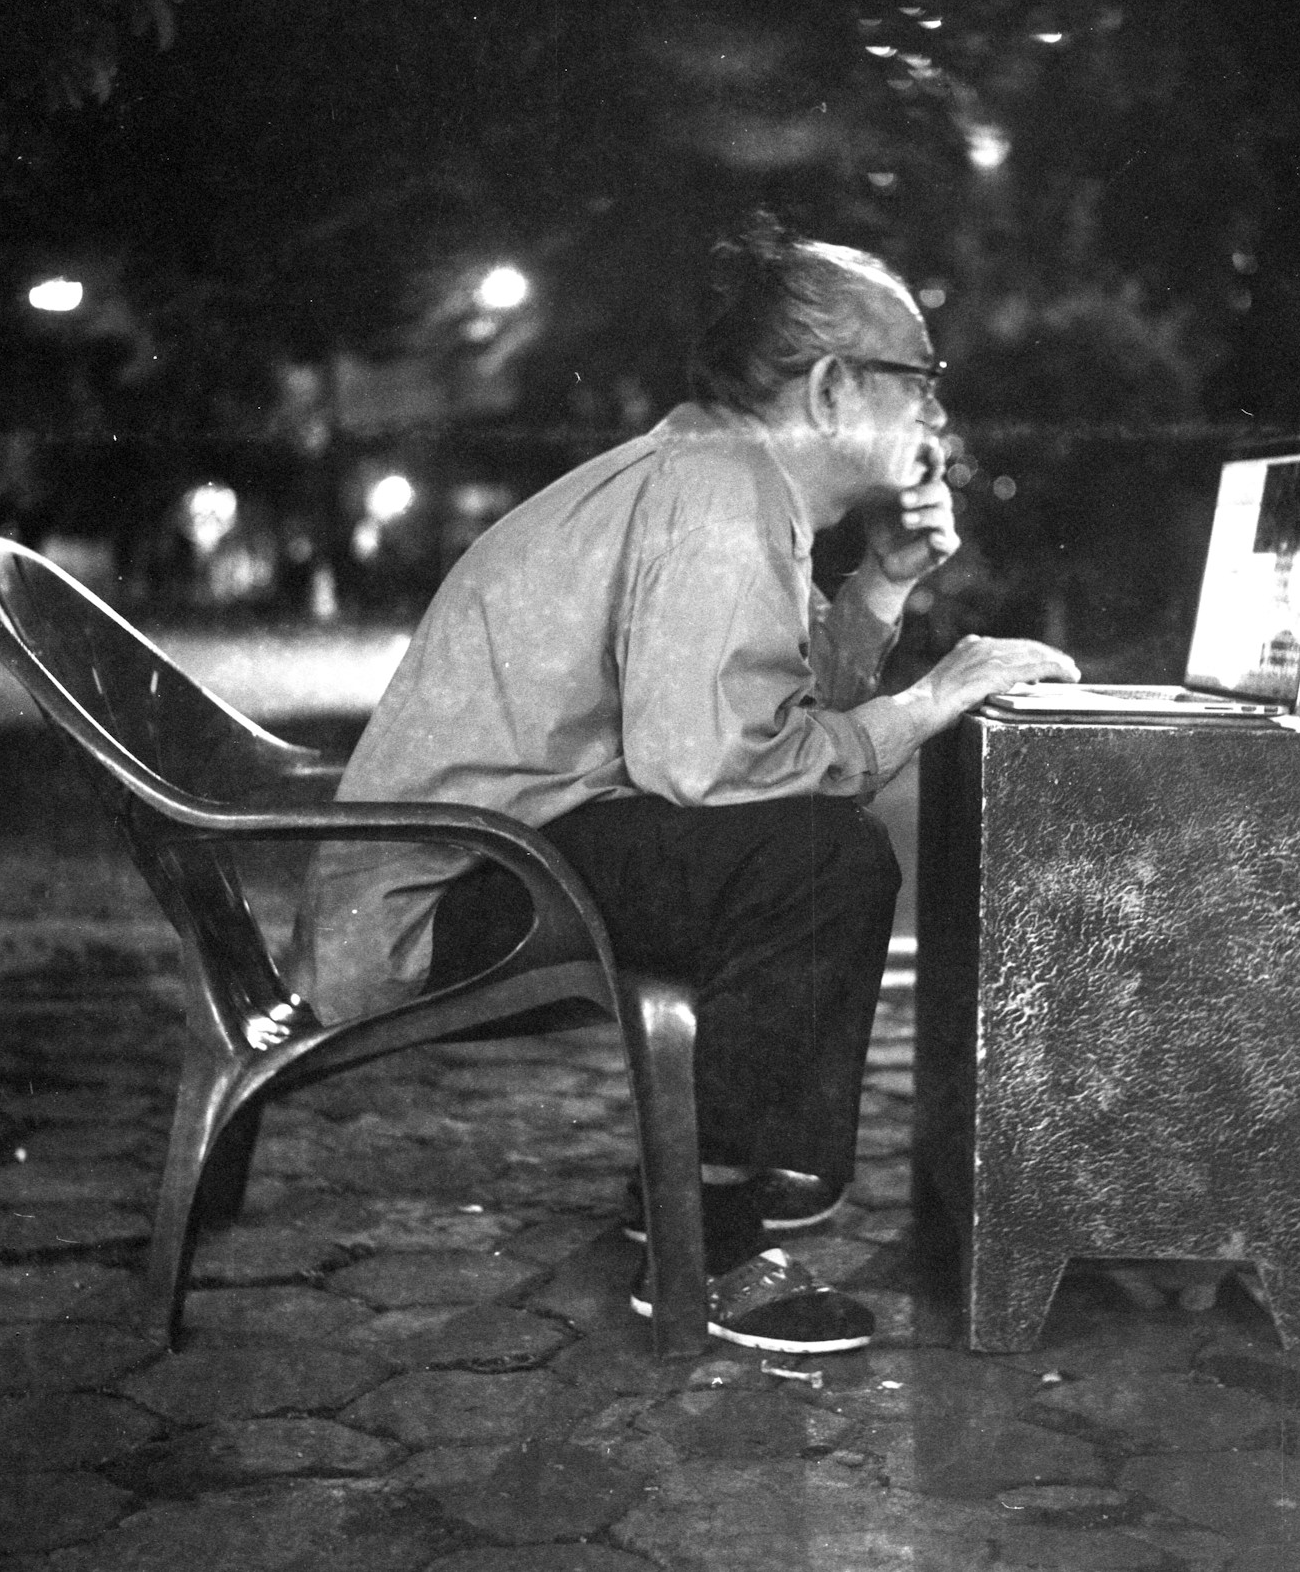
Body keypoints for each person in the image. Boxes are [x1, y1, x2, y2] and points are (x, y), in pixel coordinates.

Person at [293, 213, 1076, 1353]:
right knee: (816, 859)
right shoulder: (722, 491)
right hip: (440, 903)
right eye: (923, 378)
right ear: (828, 387)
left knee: (799, 840)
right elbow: (718, 769)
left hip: (474, 864)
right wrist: (924, 701)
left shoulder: (717, 473)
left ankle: (720, 1175)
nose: (939, 415)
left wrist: (883, 589)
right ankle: (709, 1230)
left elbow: (766, 714)